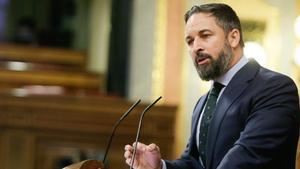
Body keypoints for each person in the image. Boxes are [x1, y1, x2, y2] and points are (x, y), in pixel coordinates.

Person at [124, 3, 300, 169]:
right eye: (190, 41)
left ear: (233, 37)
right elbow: (194, 163)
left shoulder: (275, 87)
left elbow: (246, 158)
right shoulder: (203, 102)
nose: (196, 47)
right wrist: (160, 166)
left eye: (205, 35)